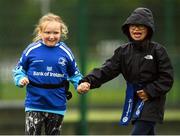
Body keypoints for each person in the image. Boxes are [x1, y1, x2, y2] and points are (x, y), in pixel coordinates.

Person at [77, 7, 174, 135]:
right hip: (133, 98)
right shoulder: (123, 52)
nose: (136, 29)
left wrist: (149, 91)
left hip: (153, 101)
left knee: (139, 131)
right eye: (133, 26)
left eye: (141, 26)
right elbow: (107, 70)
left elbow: (167, 78)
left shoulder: (158, 51)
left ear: (149, 29)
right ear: (127, 29)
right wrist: (88, 81)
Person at [12, 13, 82, 135]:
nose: (51, 36)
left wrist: (80, 84)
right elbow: (19, 70)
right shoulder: (31, 50)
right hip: (34, 104)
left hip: (57, 105)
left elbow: (75, 74)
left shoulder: (66, 52)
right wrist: (21, 79)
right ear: (40, 32)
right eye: (47, 32)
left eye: (55, 33)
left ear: (61, 33)